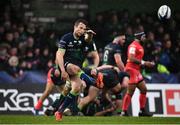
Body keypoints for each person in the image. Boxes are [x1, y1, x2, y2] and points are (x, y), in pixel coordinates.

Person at [54, 19, 101, 121]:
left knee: (76, 88)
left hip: (77, 70)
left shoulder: (84, 39)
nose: (82, 30)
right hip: (66, 66)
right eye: (80, 27)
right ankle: (92, 81)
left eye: (84, 29)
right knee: (74, 68)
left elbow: (88, 40)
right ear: (74, 27)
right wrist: (62, 70)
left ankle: (59, 111)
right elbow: (59, 54)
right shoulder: (66, 38)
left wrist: (90, 35)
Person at [121, 27, 155, 116]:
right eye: (143, 36)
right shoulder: (133, 46)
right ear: (139, 37)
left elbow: (137, 58)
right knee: (130, 92)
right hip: (131, 70)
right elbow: (131, 58)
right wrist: (145, 62)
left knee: (144, 89)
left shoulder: (139, 46)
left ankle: (142, 111)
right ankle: (124, 112)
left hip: (136, 70)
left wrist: (146, 63)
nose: (145, 38)